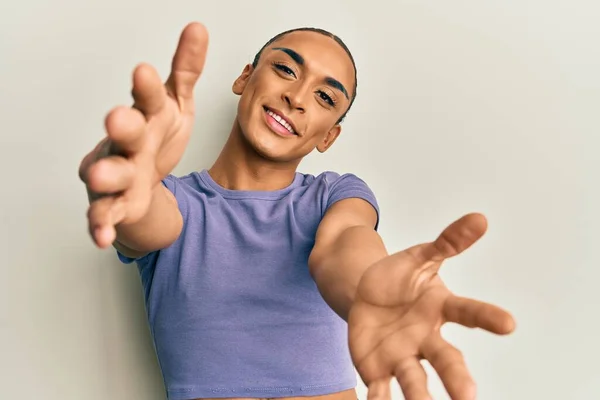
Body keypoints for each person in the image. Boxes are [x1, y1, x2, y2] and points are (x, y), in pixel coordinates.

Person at [78, 22, 516, 400]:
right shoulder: (176, 200)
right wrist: (127, 171)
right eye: (286, 69)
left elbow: (345, 246)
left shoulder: (335, 195)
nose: (297, 97)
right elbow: (146, 218)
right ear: (245, 78)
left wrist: (369, 288)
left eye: (325, 98)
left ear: (328, 137)